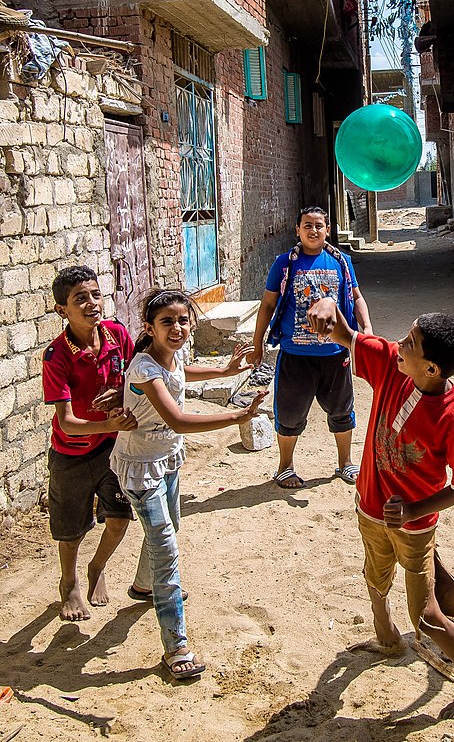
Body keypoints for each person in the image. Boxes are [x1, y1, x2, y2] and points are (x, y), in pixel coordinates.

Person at [307, 299, 454, 720]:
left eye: (411, 341)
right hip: (369, 507)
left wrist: (413, 510)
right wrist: (323, 304)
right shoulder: (392, 364)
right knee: (375, 578)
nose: (400, 343)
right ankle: (386, 638)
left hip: (415, 527)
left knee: (426, 617)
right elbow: (344, 332)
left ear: (432, 369)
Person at [110, 288, 267, 681]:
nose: (177, 328)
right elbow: (178, 419)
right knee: (166, 547)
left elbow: (182, 373)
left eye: (183, 320)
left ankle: (144, 588)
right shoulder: (144, 368)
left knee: (168, 530)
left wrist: (225, 372)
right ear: (149, 327)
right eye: (167, 322)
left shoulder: (172, 357)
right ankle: (176, 646)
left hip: (166, 459)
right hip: (140, 466)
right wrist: (236, 418)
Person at [249, 206, 373, 489]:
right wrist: (257, 344)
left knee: (342, 411)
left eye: (319, 225)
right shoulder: (284, 264)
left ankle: (345, 463)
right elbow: (268, 304)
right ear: (297, 230)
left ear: (327, 230)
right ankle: (285, 467)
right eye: (307, 225)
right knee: (290, 414)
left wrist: (367, 331)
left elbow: (357, 298)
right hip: (296, 355)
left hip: (335, 353)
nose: (313, 230)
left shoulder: (341, 262)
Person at [43, 265, 138, 622]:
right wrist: (107, 420)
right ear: (62, 310)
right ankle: (68, 583)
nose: (91, 303)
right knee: (70, 531)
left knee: (119, 519)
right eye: (79, 299)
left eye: (96, 295)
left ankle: (97, 567)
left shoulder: (116, 334)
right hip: (72, 453)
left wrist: (121, 391)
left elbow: (135, 377)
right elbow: (66, 421)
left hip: (114, 448)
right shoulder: (57, 356)